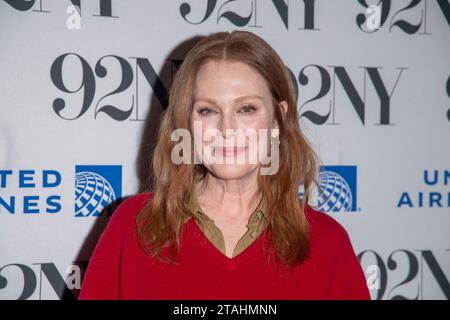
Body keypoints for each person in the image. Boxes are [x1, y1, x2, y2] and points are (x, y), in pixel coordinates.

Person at [79, 30, 370, 300]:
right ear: (186, 121)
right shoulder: (133, 226)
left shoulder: (328, 243)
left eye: (246, 109)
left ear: (278, 118)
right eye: (207, 110)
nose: (226, 128)